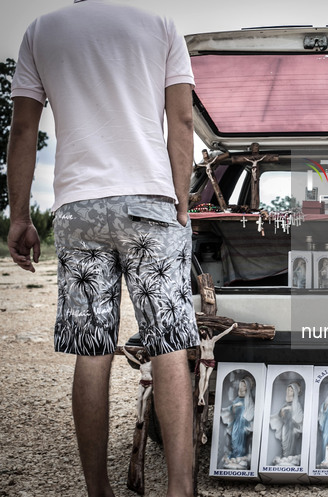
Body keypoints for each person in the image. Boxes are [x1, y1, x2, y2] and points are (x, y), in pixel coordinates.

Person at [7, 1, 199, 496]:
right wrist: (181, 205)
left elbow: (24, 129)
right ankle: (179, 488)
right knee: (169, 343)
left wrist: (22, 216)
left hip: (78, 206)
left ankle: (98, 490)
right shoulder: (159, 26)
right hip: (150, 202)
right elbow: (181, 122)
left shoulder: (41, 31)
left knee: (92, 352)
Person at [196, 323, 237, 406]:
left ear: (206, 331)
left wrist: (232, 327)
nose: (202, 332)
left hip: (211, 361)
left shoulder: (213, 340)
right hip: (203, 360)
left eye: (203, 330)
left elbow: (223, 333)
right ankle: (201, 397)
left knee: (207, 378)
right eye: (200, 331)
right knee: (202, 376)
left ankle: (201, 396)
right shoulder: (200, 341)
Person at [220, 376, 255, 468]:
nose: (241, 386)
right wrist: (234, 407)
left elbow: (250, 412)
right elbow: (232, 410)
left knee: (241, 441)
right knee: (234, 439)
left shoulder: (248, 400)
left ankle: (240, 457)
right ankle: (235, 456)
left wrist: (243, 411)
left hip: (243, 423)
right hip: (236, 423)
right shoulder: (237, 399)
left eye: (244, 385)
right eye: (241, 384)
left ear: (247, 387)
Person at [269, 381, 304, 465]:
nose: (289, 392)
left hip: (292, 428)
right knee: (284, 443)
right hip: (285, 427)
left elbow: (298, 418)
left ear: (295, 392)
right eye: (288, 390)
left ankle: (290, 457)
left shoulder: (297, 404)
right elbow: (280, 416)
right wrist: (281, 412)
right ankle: (285, 457)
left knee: (291, 444)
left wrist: (290, 410)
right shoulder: (284, 404)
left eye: (291, 390)